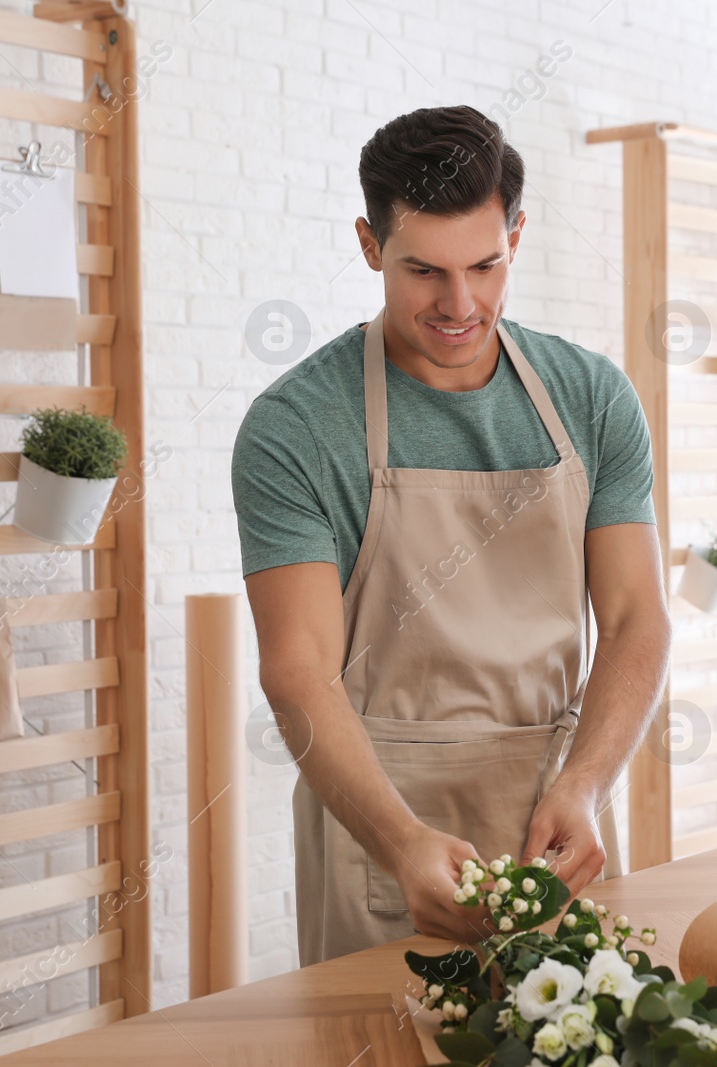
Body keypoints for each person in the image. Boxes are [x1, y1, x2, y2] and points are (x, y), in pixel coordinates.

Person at [232, 104, 670, 967]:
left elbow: (635, 620)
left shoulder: (592, 399)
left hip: (558, 812)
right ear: (369, 245)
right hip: (378, 825)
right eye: (424, 270)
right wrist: (398, 843)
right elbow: (297, 669)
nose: (461, 305)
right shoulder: (297, 427)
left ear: (517, 231)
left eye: (486, 265)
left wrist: (586, 783)